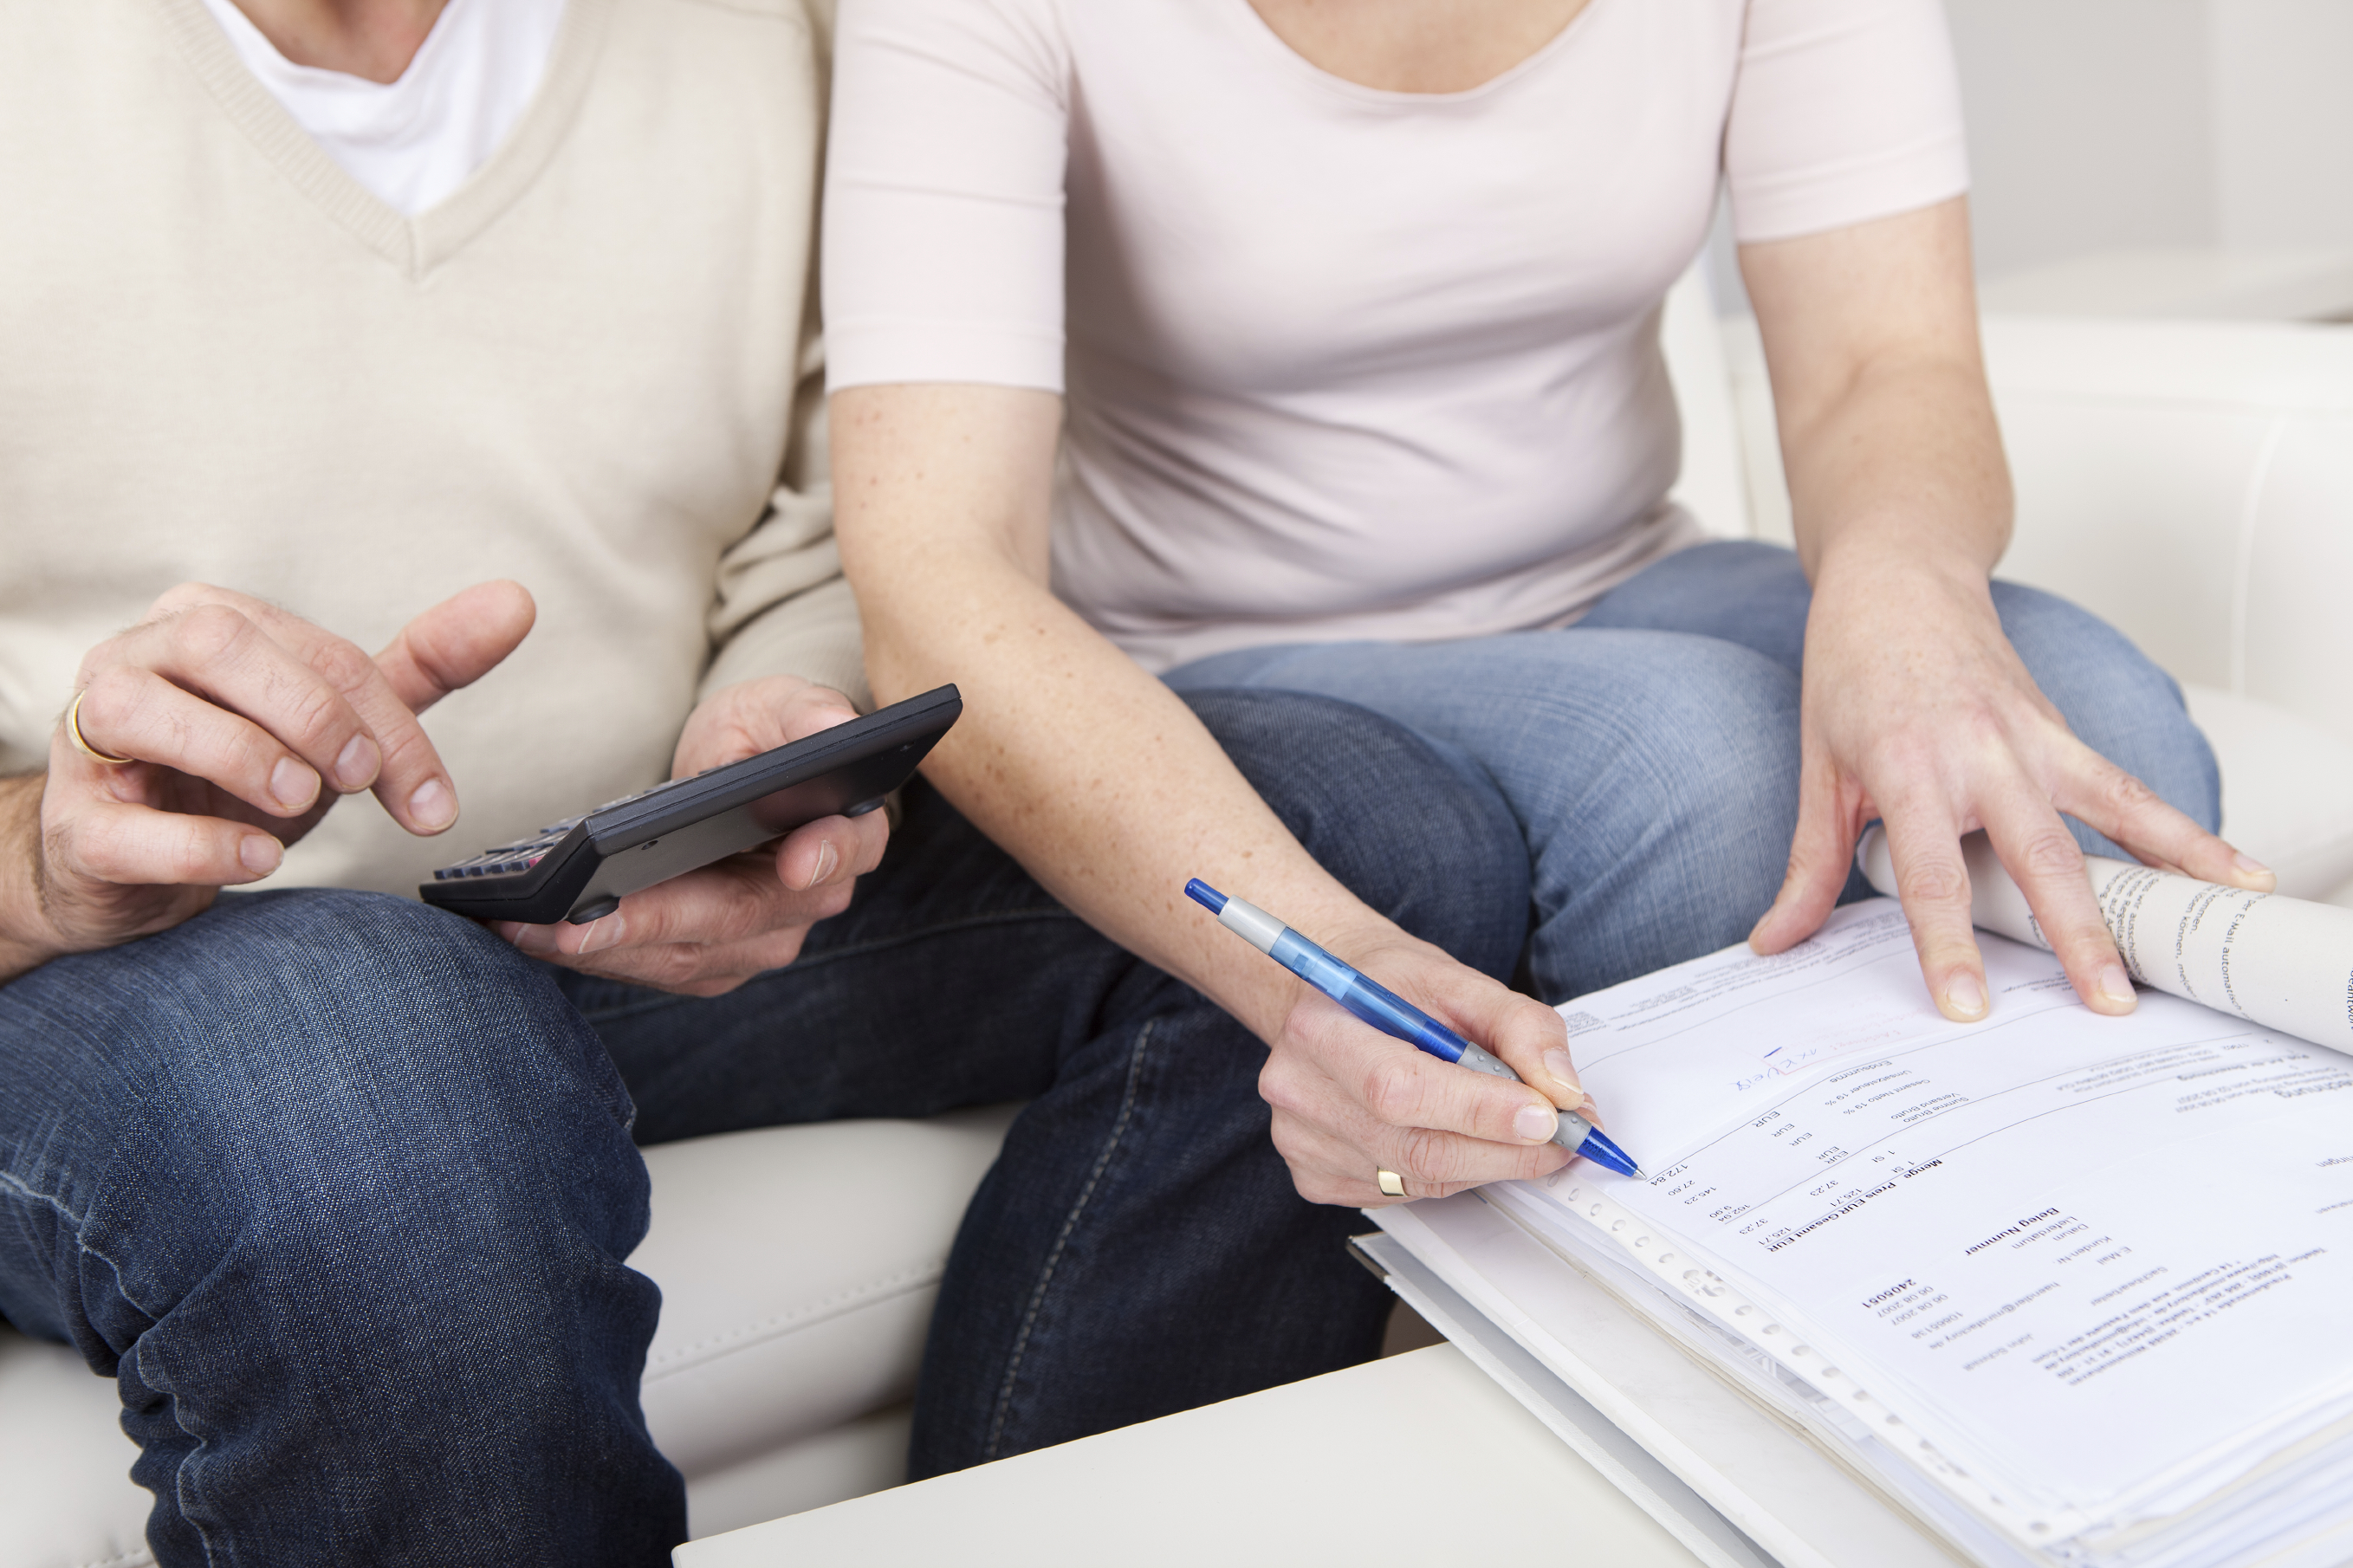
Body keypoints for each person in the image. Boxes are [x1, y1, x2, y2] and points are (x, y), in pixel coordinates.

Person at [0, 1, 1525, 1560]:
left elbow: (810, 521)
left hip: (606, 887)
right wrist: (42, 862)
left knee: (1358, 854)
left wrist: (767, 738)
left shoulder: (751, 30)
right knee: (376, 1076)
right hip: (102, 966)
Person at [822, 0, 2272, 1213]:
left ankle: (2077, 1279)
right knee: (1700, 769)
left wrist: (1907, 604)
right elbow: (939, 580)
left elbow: (1880, 364)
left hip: (1623, 565)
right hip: (1216, 647)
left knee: (2092, 708)